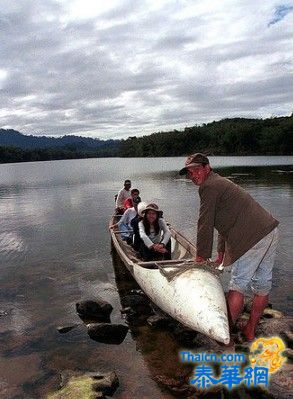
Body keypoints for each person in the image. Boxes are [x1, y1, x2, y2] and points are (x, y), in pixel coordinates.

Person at [179, 153, 279, 342]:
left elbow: (205, 223)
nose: (193, 176)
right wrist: (221, 252)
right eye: (189, 173)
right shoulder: (219, 182)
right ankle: (250, 329)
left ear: (207, 167)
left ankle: (225, 336)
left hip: (251, 237)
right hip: (269, 230)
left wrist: (200, 256)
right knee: (262, 286)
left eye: (196, 170)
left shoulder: (209, 187)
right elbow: (223, 223)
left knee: (237, 285)